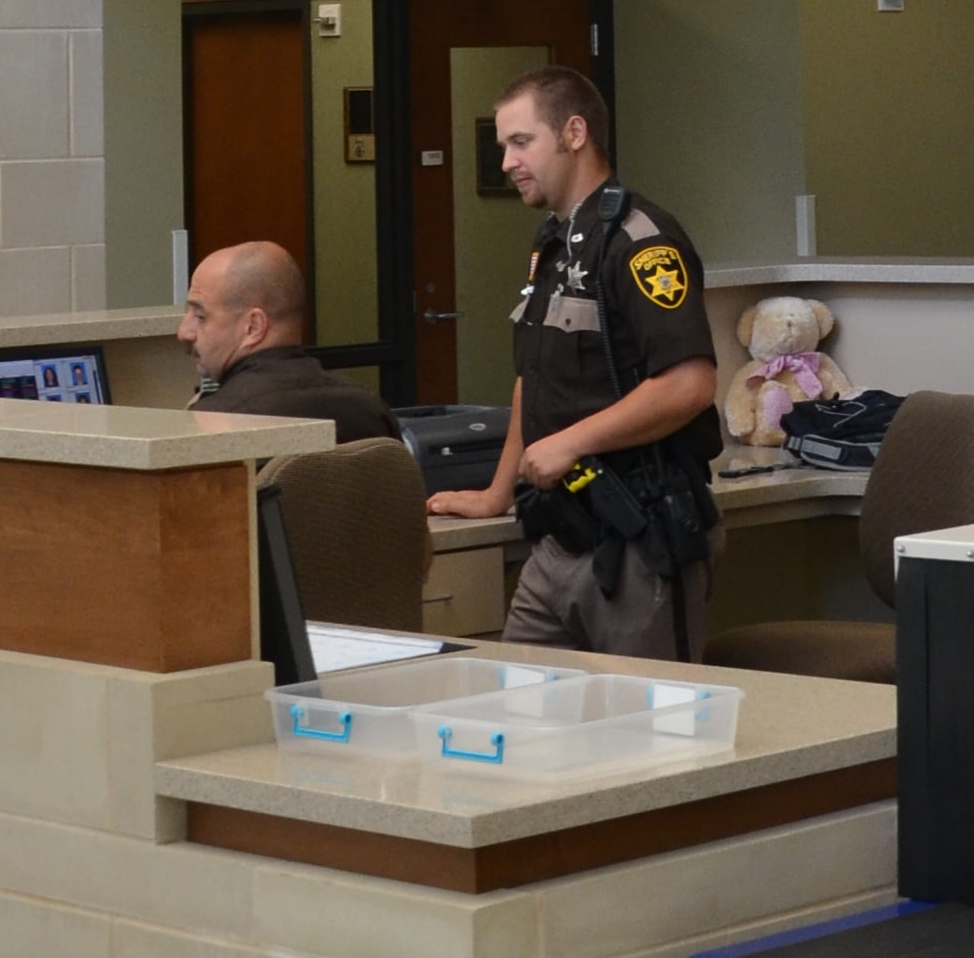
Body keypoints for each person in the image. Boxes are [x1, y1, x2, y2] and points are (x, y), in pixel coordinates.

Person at [428, 68, 722, 656]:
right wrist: (497, 492)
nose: (508, 161)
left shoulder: (640, 241)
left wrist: (571, 444)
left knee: (646, 738)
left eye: (520, 141)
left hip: (638, 539)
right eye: (503, 146)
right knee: (521, 716)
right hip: (557, 539)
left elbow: (689, 384)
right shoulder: (554, 245)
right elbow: (532, 383)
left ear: (575, 133)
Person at [178, 242, 413, 442]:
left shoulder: (215, 424)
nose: (184, 332)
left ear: (254, 327)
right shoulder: (370, 410)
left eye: (200, 316)